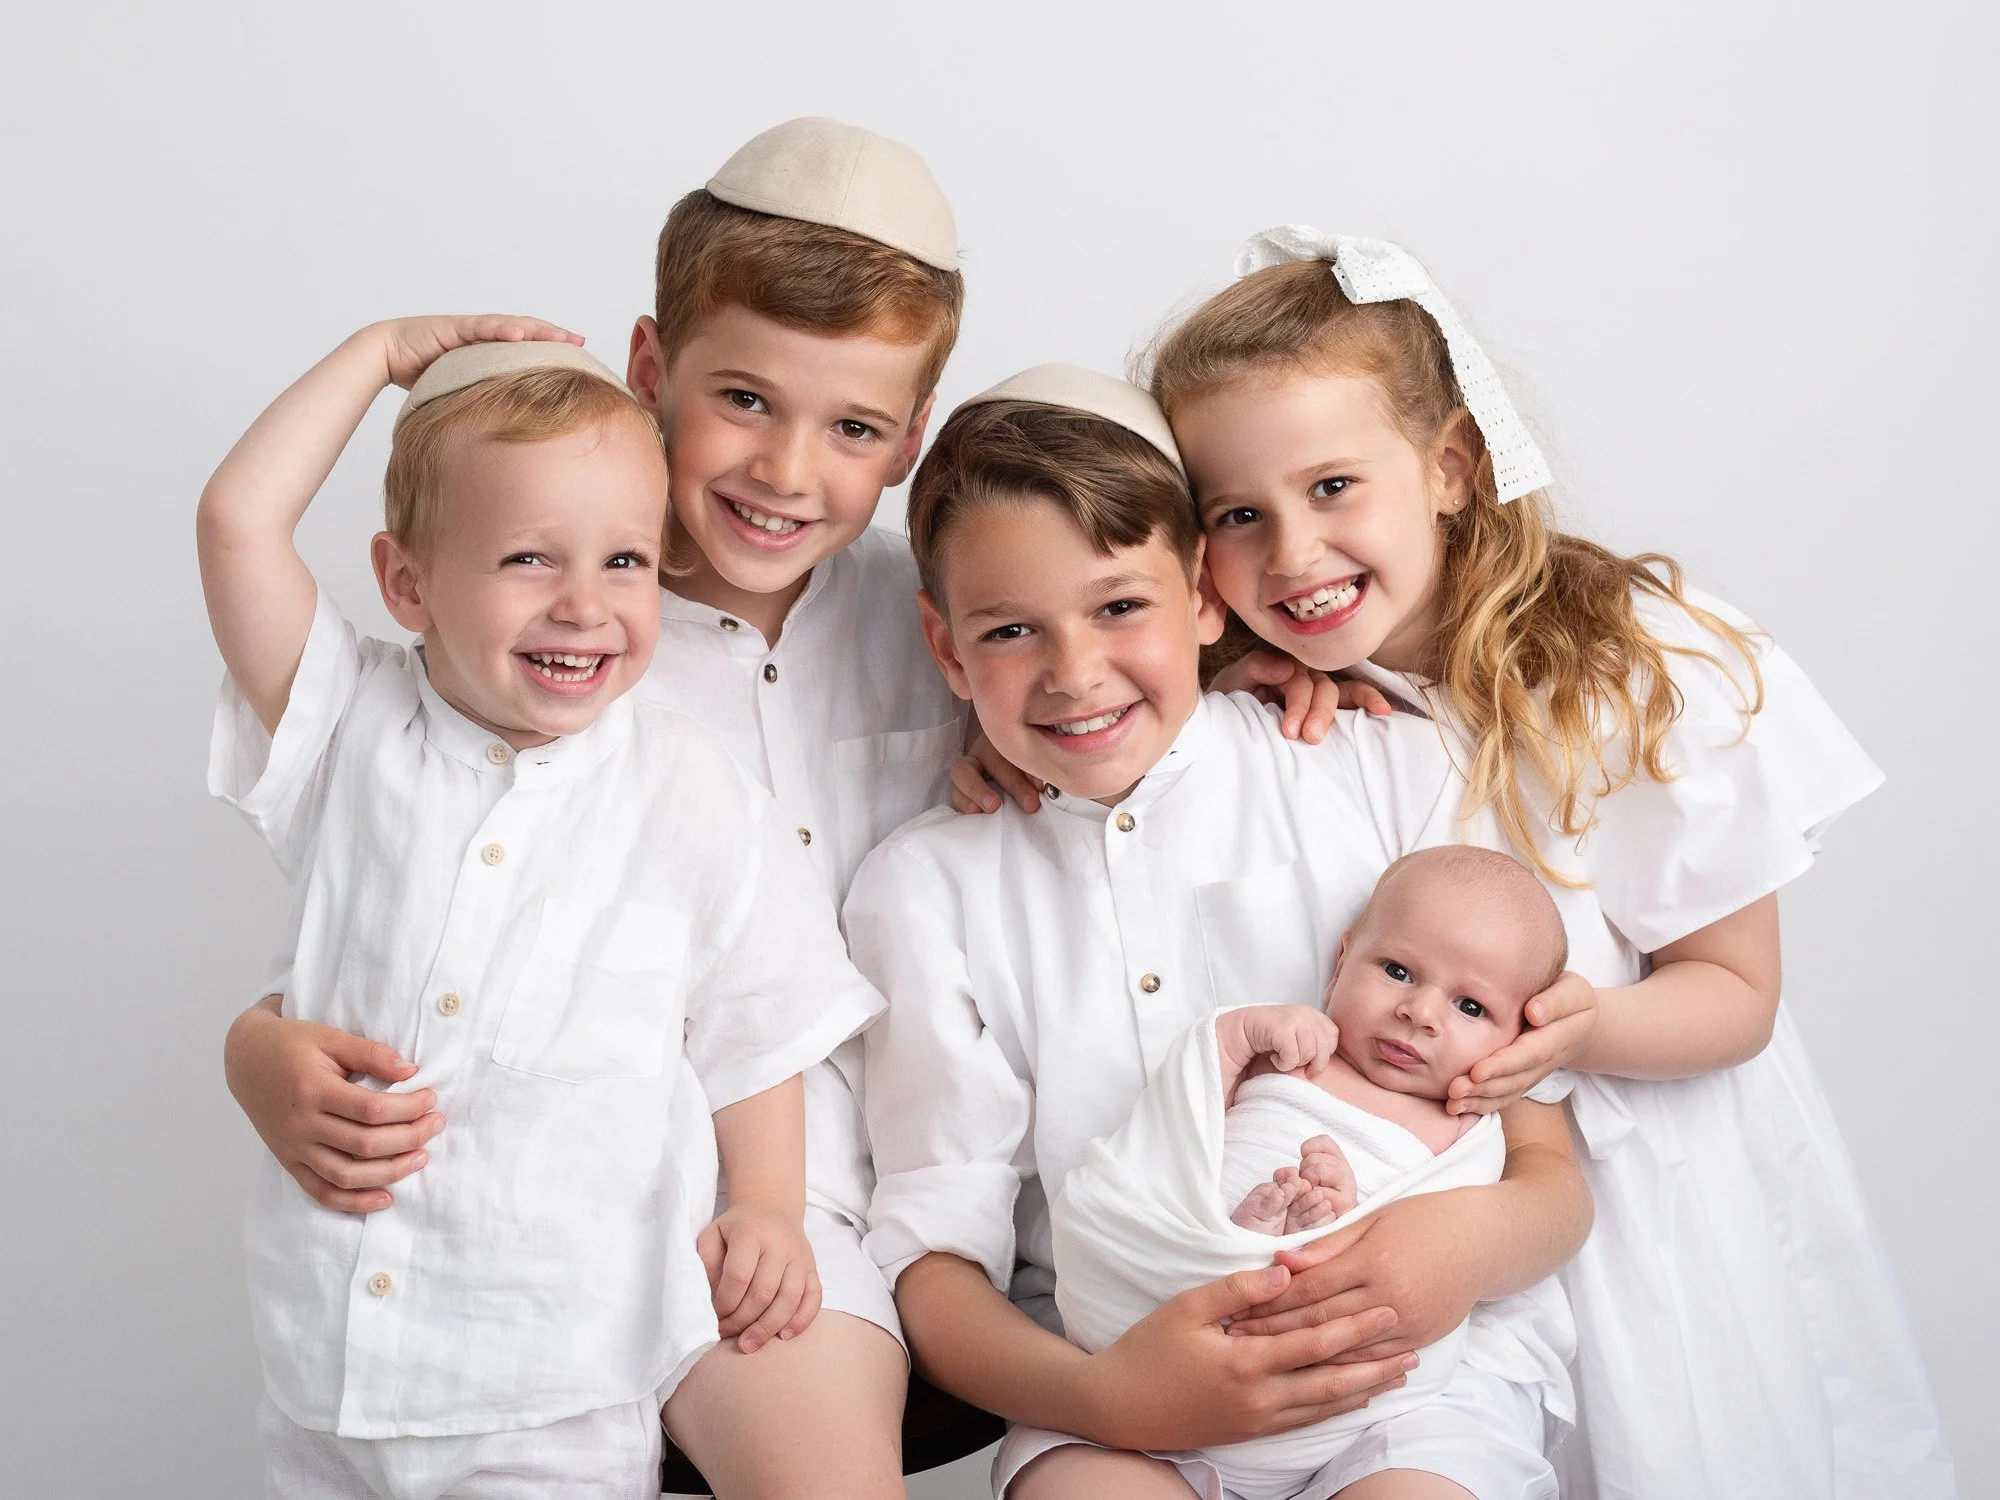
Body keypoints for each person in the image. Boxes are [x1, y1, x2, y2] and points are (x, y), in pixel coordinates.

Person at [1140, 227, 1955, 1497]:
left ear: (1451, 466)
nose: (1291, 555)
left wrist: (1582, 1032)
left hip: (1648, 1192)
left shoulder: (1632, 667)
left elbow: (1734, 995)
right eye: (1237, 515)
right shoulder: (1294, 706)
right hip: (1420, 1209)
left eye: (1333, 488)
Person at [218, 118, 967, 1497]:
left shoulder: (946, 614)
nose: (786, 471)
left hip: (799, 1213)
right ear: (648, 369)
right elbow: (396, 903)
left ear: (907, 441)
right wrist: (256, 1046)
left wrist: (1279, 673)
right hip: (508, 1228)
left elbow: (1128, 664)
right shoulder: (545, 627)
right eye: (743, 400)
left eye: (852, 427)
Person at [849, 364, 1594, 1499]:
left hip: (1407, 1383)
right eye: (1008, 630)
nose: (1073, 673)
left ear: (1200, 594)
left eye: (1117, 606)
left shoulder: (1371, 766)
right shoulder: (926, 890)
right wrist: (1109, 1402)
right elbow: (934, 1257)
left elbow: (1546, 1168)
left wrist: (1450, 1253)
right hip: (1120, 1387)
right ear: (945, 647)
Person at [1049, 845, 1576, 1499]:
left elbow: (1456, 1241)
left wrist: (1348, 1220)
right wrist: (1236, 1035)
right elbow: (1180, 1126)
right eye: (1398, 970)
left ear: (1516, 1044)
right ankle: (1247, 1241)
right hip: (1163, 1332)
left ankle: (1285, 1234)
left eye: (1472, 1008)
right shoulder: (1294, 1055)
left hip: (1348, 1410)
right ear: (1341, 963)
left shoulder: (1468, 1127)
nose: (1420, 1012)